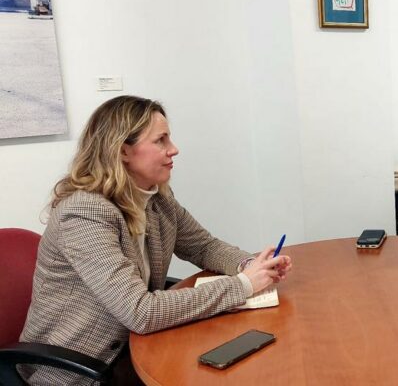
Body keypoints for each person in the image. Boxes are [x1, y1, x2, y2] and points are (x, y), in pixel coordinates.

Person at [20, 96, 292, 385]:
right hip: (80, 370)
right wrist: (244, 285)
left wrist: (250, 264)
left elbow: (203, 246)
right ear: (123, 151)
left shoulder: (156, 197)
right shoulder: (84, 212)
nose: (173, 150)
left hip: (138, 346)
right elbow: (139, 311)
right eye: (160, 140)